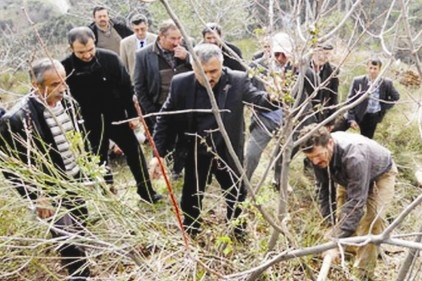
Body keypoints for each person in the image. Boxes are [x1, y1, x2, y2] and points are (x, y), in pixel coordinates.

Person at [149, 43, 277, 239]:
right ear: (193, 67)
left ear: (222, 64)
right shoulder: (180, 83)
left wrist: (274, 97)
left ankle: (237, 231)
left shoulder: (237, 80)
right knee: (191, 196)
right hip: (195, 151)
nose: (210, 77)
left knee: (236, 194)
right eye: (204, 72)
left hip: (226, 151)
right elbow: (165, 117)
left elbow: (259, 99)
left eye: (214, 71)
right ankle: (192, 231)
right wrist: (158, 154)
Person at [0, 58, 91, 279]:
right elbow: (12, 167)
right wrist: (36, 196)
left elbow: (80, 139)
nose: (63, 89)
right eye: (55, 84)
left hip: (76, 179)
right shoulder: (17, 119)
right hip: (50, 189)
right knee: (65, 235)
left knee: (81, 223)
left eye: (64, 82)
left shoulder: (69, 103)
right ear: (36, 85)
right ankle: (79, 276)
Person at [61, 26, 162, 203]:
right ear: (71, 48)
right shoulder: (65, 67)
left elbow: (126, 88)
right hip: (89, 120)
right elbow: (63, 100)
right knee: (99, 160)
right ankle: (109, 195)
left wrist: (132, 115)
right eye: (81, 52)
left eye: (90, 50)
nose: (87, 55)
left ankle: (146, 191)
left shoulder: (110, 59)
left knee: (135, 153)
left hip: (116, 115)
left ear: (95, 43)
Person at [299, 123, 397, 280]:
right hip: (347, 176)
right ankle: (348, 249)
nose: (315, 162)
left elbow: (357, 203)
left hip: (380, 175)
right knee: (341, 217)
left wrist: (334, 239)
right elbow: (323, 189)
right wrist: (330, 225)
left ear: (330, 142)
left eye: (318, 156)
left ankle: (363, 273)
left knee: (373, 220)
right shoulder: (317, 156)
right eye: (311, 158)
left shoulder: (355, 156)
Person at [244, 32, 316, 187]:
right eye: (277, 54)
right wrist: (265, 96)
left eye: (285, 54)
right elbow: (247, 89)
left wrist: (302, 68)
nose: (281, 58)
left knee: (285, 154)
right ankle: (242, 187)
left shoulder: (296, 67)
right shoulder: (258, 66)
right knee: (252, 154)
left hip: (290, 119)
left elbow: (315, 86)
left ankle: (278, 180)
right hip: (265, 118)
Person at [133, 19, 191, 135]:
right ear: (161, 36)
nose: (177, 43)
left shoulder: (188, 47)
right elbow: (139, 88)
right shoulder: (144, 55)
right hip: (161, 109)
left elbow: (202, 71)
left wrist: (188, 58)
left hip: (188, 108)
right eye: (173, 39)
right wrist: (153, 113)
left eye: (179, 38)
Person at [334, 58, 400, 139]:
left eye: (375, 68)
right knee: (335, 131)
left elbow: (396, 97)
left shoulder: (386, 83)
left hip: (372, 117)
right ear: (367, 68)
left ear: (379, 69)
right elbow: (350, 100)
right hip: (356, 113)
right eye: (370, 68)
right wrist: (351, 119)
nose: (372, 71)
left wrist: (382, 107)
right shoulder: (358, 81)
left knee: (366, 140)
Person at [309, 43, 339, 129]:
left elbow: (333, 97)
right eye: (319, 52)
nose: (322, 57)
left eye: (327, 54)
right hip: (302, 113)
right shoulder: (302, 67)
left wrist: (330, 121)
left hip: (320, 115)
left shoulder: (332, 71)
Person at [120, 13, 157, 80]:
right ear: (132, 28)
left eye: (142, 29)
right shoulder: (124, 43)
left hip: (153, 80)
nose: (140, 32)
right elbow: (124, 66)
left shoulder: (155, 40)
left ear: (147, 26)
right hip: (135, 81)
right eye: (136, 30)